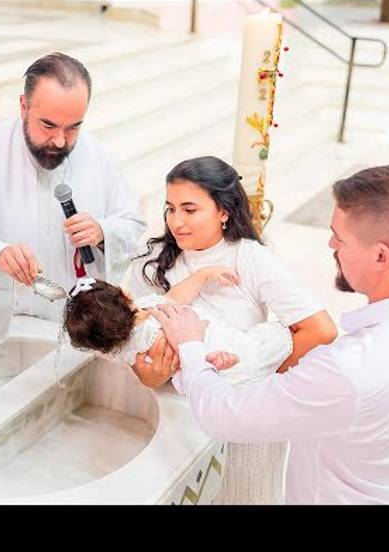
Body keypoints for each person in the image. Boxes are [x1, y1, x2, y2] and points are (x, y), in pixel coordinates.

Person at [153, 163, 389, 504]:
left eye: (339, 238)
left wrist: (191, 344)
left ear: (381, 256)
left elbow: (224, 416)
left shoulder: (347, 370)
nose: (330, 244)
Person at [126, 155, 337, 504]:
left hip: (242, 420)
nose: (176, 221)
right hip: (178, 421)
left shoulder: (250, 259)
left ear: (223, 211)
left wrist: (258, 386)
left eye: (190, 209)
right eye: (170, 208)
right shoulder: (150, 262)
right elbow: (131, 334)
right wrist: (146, 374)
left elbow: (320, 329)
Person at [0, 52, 145, 341]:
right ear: (23, 106)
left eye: (73, 128)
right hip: (9, 325)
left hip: (78, 329)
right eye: (48, 125)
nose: (60, 140)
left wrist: (103, 231)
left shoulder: (99, 157)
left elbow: (132, 225)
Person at [62, 271, 290, 385]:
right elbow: (182, 362)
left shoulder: (135, 326)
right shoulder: (150, 341)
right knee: (265, 344)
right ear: (124, 294)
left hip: (214, 344)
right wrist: (204, 274)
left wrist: (203, 275)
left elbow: (173, 297)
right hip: (216, 351)